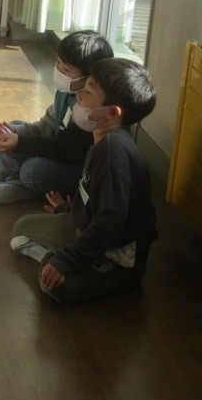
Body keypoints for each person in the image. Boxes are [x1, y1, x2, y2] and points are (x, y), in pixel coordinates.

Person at [9, 57, 157, 303]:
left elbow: (110, 220)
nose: (78, 96)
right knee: (21, 227)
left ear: (112, 112)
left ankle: (58, 257)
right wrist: (69, 210)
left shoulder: (112, 152)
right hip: (92, 231)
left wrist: (67, 261)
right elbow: (92, 194)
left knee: (57, 287)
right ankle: (61, 251)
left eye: (88, 92)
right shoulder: (101, 137)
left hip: (117, 257)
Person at [0, 30, 114, 204]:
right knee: (15, 126)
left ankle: (25, 183)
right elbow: (47, 126)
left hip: (76, 166)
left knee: (32, 170)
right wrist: (14, 132)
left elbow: (64, 152)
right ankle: (17, 172)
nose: (59, 71)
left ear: (90, 77)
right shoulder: (67, 90)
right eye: (58, 62)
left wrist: (20, 143)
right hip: (57, 148)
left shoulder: (89, 112)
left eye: (66, 69)